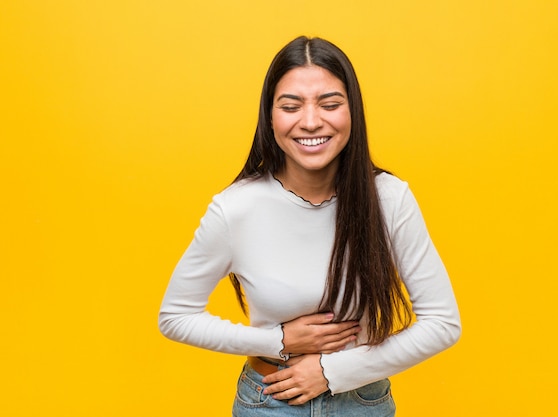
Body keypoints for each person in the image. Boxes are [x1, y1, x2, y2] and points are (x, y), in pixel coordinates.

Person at [159, 36, 461, 417]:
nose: (311, 121)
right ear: (270, 117)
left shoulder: (389, 198)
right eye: (291, 106)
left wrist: (331, 371)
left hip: (363, 404)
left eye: (330, 104)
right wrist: (277, 340)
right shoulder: (235, 208)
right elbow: (175, 317)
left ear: (353, 111)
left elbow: (443, 323)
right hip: (269, 402)